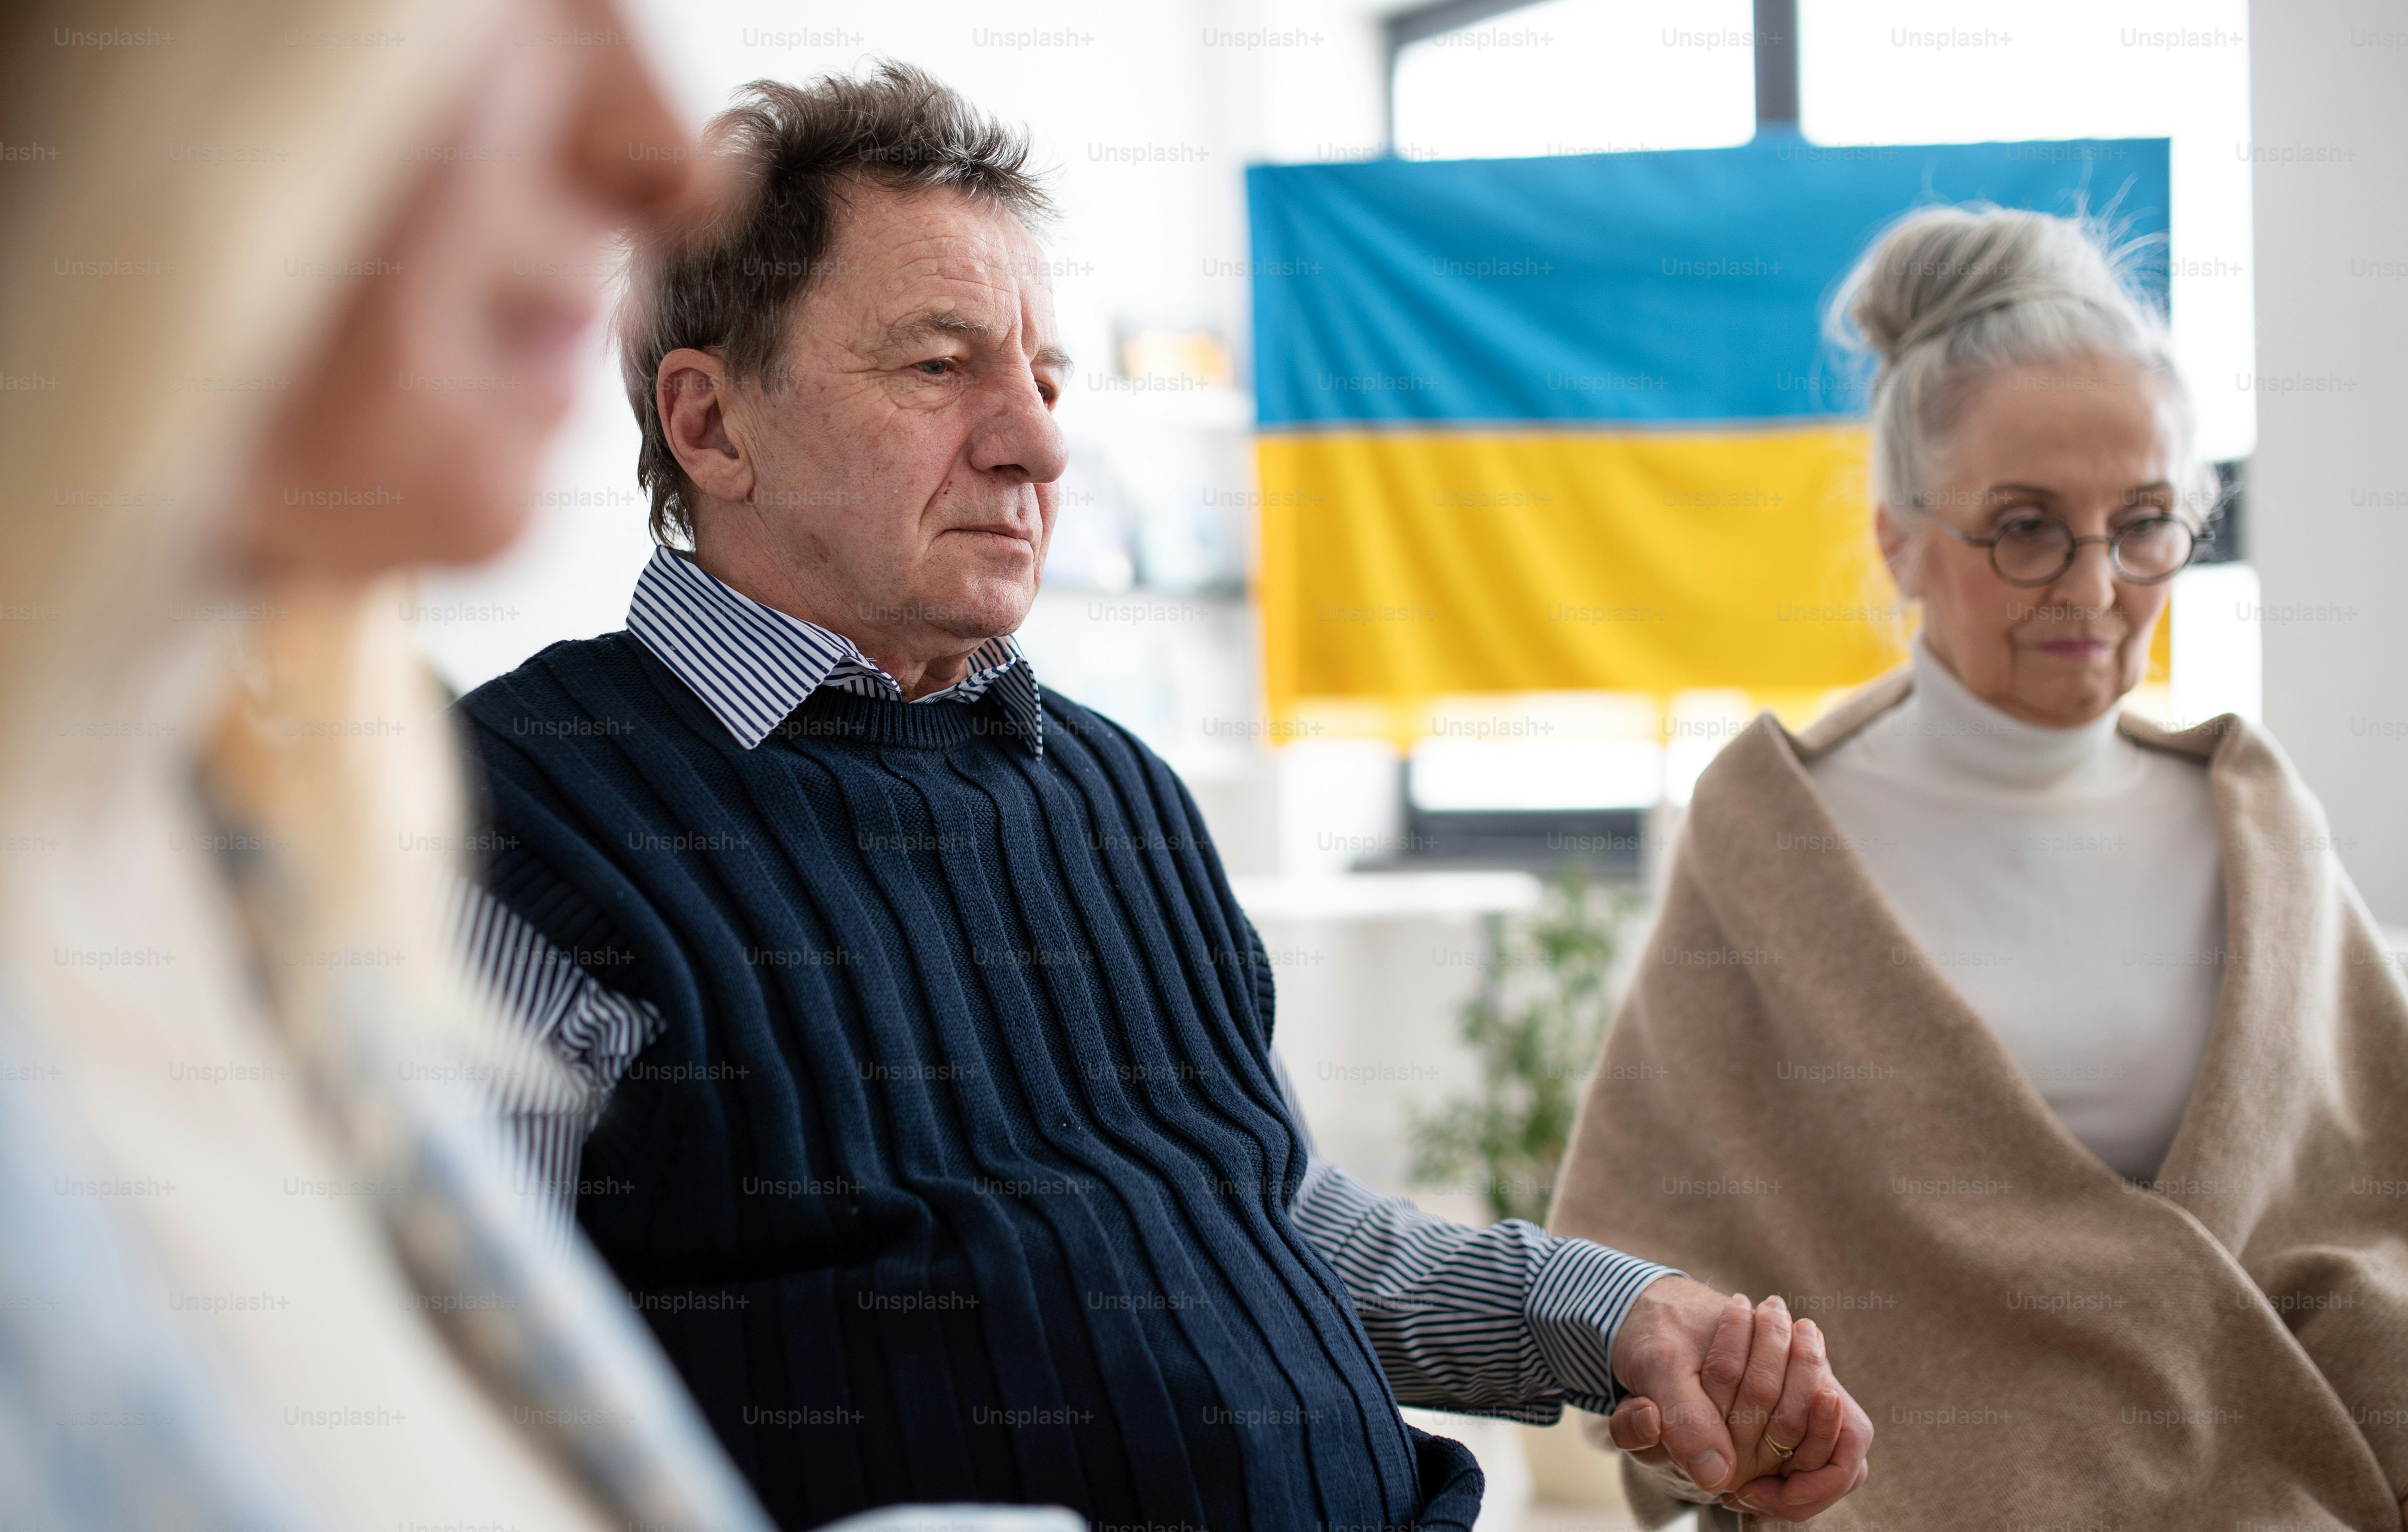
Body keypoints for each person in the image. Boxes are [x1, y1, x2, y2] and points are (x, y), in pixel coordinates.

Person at [450, 61, 1873, 1532]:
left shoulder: (1116, 785)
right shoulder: (512, 819)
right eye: (940, 367)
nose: (1040, 444)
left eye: (1046, 380)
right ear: (710, 424)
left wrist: (1616, 1314)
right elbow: (444, 1399)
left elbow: (1271, 1219)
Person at [0, 4, 1065, 1530]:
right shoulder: (528, 818)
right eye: (500, 18)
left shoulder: (242, 848)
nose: (655, 159)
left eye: (1048, 376)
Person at [1551, 205, 2408, 1528]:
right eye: (2023, 528)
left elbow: (2373, 1215)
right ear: (1897, 540)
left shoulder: (2256, 830)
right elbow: (1643, 1269)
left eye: (2142, 524)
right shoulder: (1772, 840)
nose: (2093, 586)